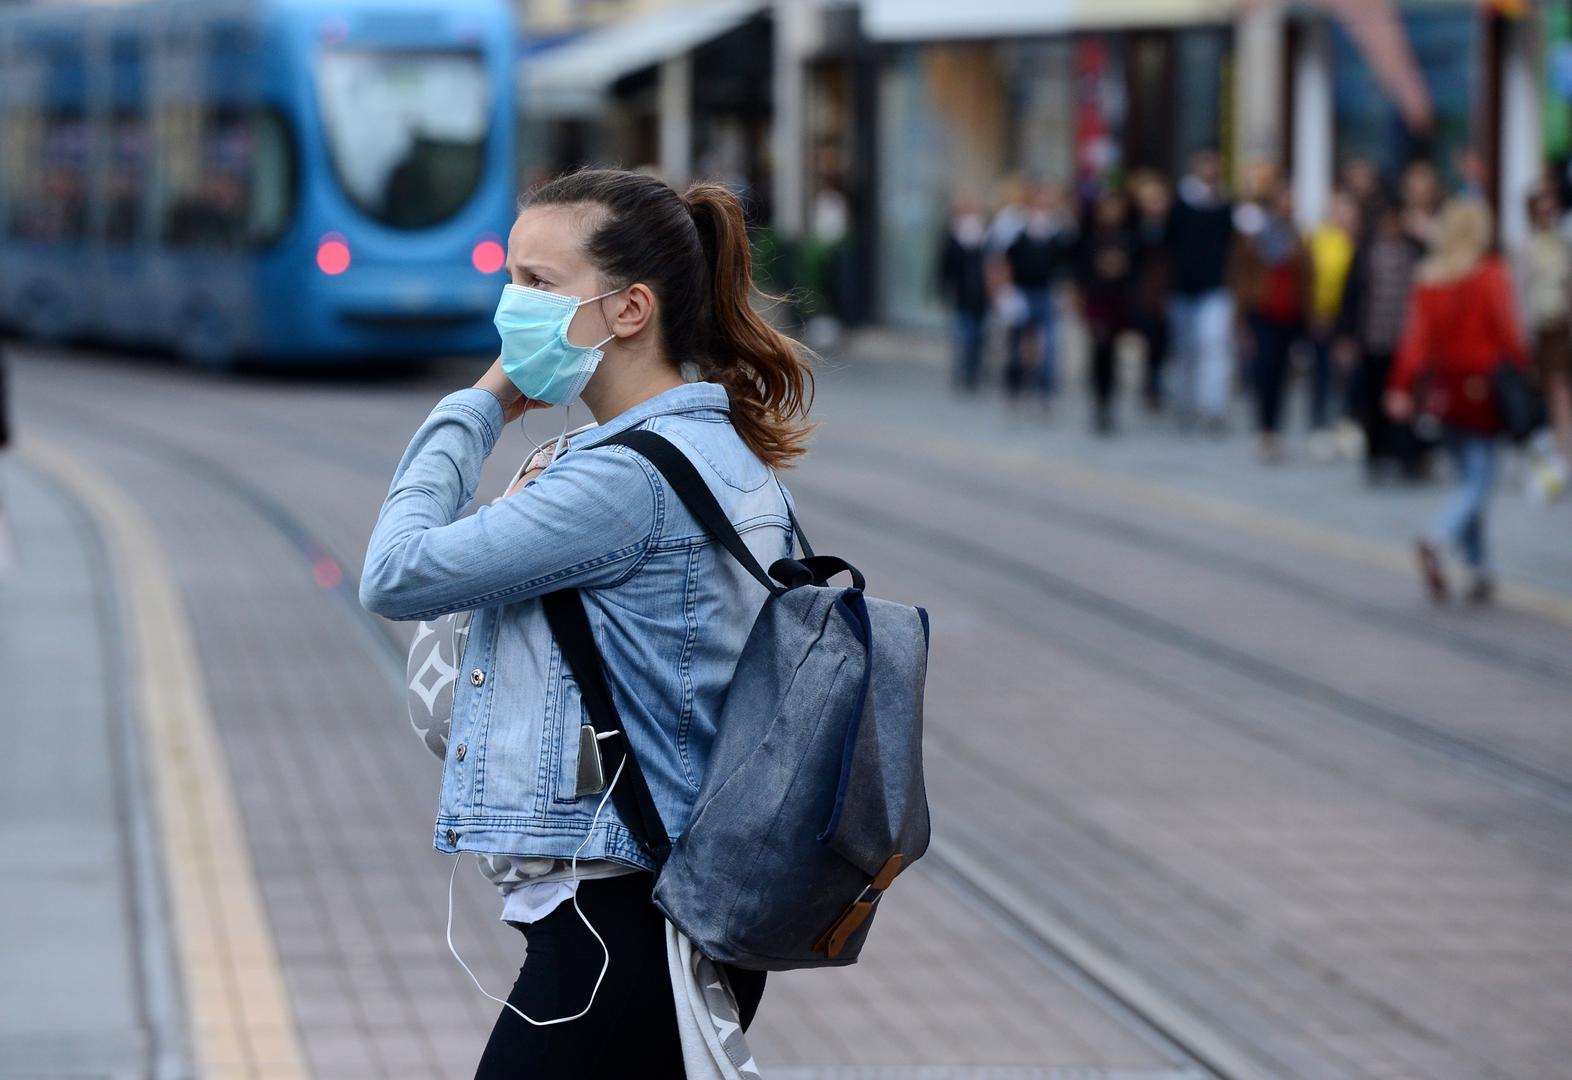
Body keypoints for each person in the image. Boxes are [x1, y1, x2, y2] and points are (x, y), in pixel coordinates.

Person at [360, 168, 813, 1074]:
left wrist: (483, 401)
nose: (511, 308)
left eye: (539, 284)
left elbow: (395, 571)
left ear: (629, 310)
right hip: (655, 906)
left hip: (618, 922)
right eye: (510, 276)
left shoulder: (624, 479)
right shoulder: (702, 448)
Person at [1387, 198, 1528, 603]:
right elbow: (1507, 333)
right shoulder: (1490, 275)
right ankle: (1437, 537)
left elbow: (1416, 342)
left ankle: (1479, 569)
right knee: (1479, 483)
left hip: (1444, 389)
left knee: (1468, 478)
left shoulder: (1430, 276)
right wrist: (1524, 370)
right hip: (1482, 387)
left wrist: (1400, 386)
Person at [1337, 199, 1425, 481]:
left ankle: (1406, 455)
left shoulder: (1414, 250)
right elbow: (1350, 296)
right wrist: (1347, 335)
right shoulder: (1366, 251)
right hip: (1373, 337)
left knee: (1405, 401)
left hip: (1405, 339)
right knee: (1373, 400)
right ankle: (1376, 454)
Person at [1231, 183, 1312, 462]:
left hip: (1290, 313)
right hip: (1262, 311)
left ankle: (1276, 429)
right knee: (1264, 369)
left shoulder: (1298, 236)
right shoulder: (1257, 235)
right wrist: (1240, 313)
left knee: (1282, 373)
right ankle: (1264, 428)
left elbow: (1306, 276)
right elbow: (1242, 273)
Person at [1167, 147, 1236, 430]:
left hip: (1215, 288)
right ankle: (1185, 403)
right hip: (1183, 288)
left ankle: (1212, 406)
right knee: (1185, 351)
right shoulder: (1180, 203)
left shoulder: (1224, 204)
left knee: (1214, 347)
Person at [1518, 184, 1572, 501]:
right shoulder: (1528, 245)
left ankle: (1562, 448)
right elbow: (1522, 290)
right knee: (1550, 389)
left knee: (1560, 389)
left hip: (1560, 323)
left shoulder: (1561, 242)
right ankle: (1557, 448)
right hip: (1539, 325)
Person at [1004, 183, 1076, 405]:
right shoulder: (1015, 227)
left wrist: (1065, 291)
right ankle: (1015, 384)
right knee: (1018, 343)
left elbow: (1067, 263)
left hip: (1047, 292)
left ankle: (1046, 388)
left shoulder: (1059, 230)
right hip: (1022, 290)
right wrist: (1006, 291)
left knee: (1050, 344)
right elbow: (1005, 260)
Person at [1074, 188, 1136, 433]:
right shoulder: (1090, 237)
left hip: (1118, 301)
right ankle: (1099, 400)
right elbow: (1079, 267)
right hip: (1096, 299)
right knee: (1099, 349)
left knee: (1113, 353)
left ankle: (1109, 402)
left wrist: (1122, 268)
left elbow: (1136, 267)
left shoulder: (1128, 237)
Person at [1304, 189, 1360, 458]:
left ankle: (1348, 426)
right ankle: (1319, 427)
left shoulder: (1361, 241)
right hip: (1325, 314)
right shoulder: (1319, 239)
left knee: (1351, 376)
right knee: (1322, 372)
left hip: (1356, 319)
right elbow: (1310, 278)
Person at [936, 192, 991, 392]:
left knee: (980, 336)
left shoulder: (987, 231)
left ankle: (975, 371)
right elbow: (945, 264)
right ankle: (964, 371)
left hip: (983, 294)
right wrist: (943, 288)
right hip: (962, 293)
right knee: (964, 335)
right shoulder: (953, 233)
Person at [1129, 171, 1173, 412]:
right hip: (1144, 293)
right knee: (1149, 341)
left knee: (1163, 343)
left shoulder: (1173, 223)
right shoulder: (1135, 225)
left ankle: (1157, 384)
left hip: (1166, 291)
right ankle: (1151, 385)